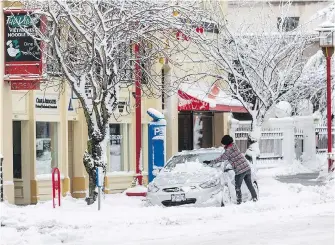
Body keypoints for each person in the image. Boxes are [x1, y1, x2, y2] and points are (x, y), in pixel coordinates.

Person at [203, 135, 258, 204]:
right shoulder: (234, 146)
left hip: (240, 170)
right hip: (247, 168)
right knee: (250, 185)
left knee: (237, 187)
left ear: (226, 143)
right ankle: (255, 198)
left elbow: (221, 158)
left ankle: (239, 202)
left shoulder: (228, 151)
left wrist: (210, 162)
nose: (222, 145)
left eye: (223, 143)